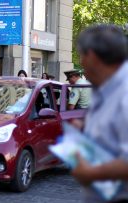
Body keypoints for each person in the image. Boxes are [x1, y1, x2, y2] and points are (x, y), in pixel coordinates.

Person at [71, 24, 128, 203]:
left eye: (81, 55)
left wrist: (91, 173)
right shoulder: (104, 84)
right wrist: (85, 127)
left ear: (92, 56)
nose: (80, 62)